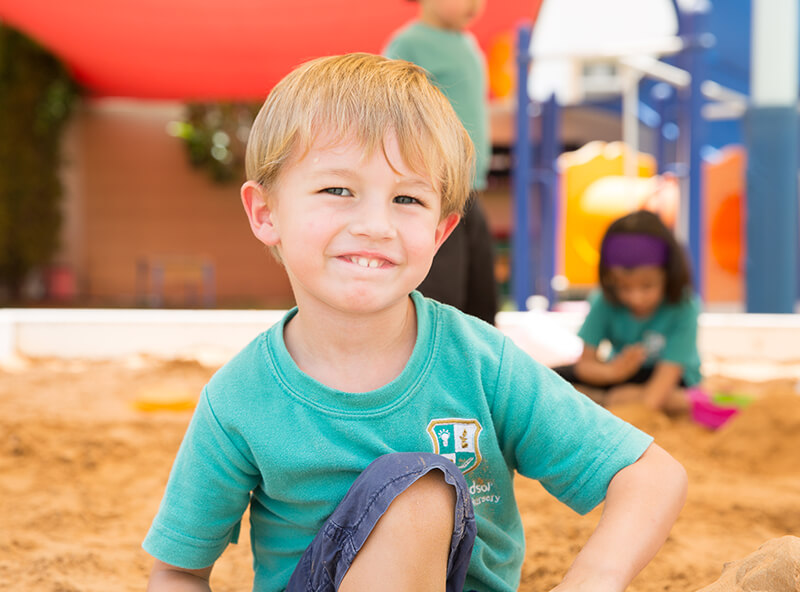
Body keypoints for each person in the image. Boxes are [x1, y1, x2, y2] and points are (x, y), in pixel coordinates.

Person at [143, 54, 687, 592]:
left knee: (423, 490)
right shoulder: (241, 398)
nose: (375, 225)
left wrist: (591, 580)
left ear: (441, 231)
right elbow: (177, 570)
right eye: (338, 190)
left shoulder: (480, 363)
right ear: (266, 213)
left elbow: (652, 477)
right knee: (420, 490)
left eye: (407, 198)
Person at [383, 0, 498, 324]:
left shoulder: (468, 44)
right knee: (441, 292)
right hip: (436, 189)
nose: (474, 1)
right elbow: (391, 110)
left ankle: (479, 365)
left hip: (471, 190)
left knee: (481, 293)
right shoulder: (409, 44)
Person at [554, 210, 702, 414]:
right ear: (610, 280)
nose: (635, 298)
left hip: (674, 377)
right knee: (551, 379)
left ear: (668, 275)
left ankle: (607, 397)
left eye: (647, 286)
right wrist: (611, 373)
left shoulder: (684, 306)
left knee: (677, 400)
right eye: (624, 287)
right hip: (623, 374)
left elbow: (657, 393)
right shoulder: (604, 300)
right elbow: (585, 364)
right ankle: (610, 396)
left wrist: (618, 398)